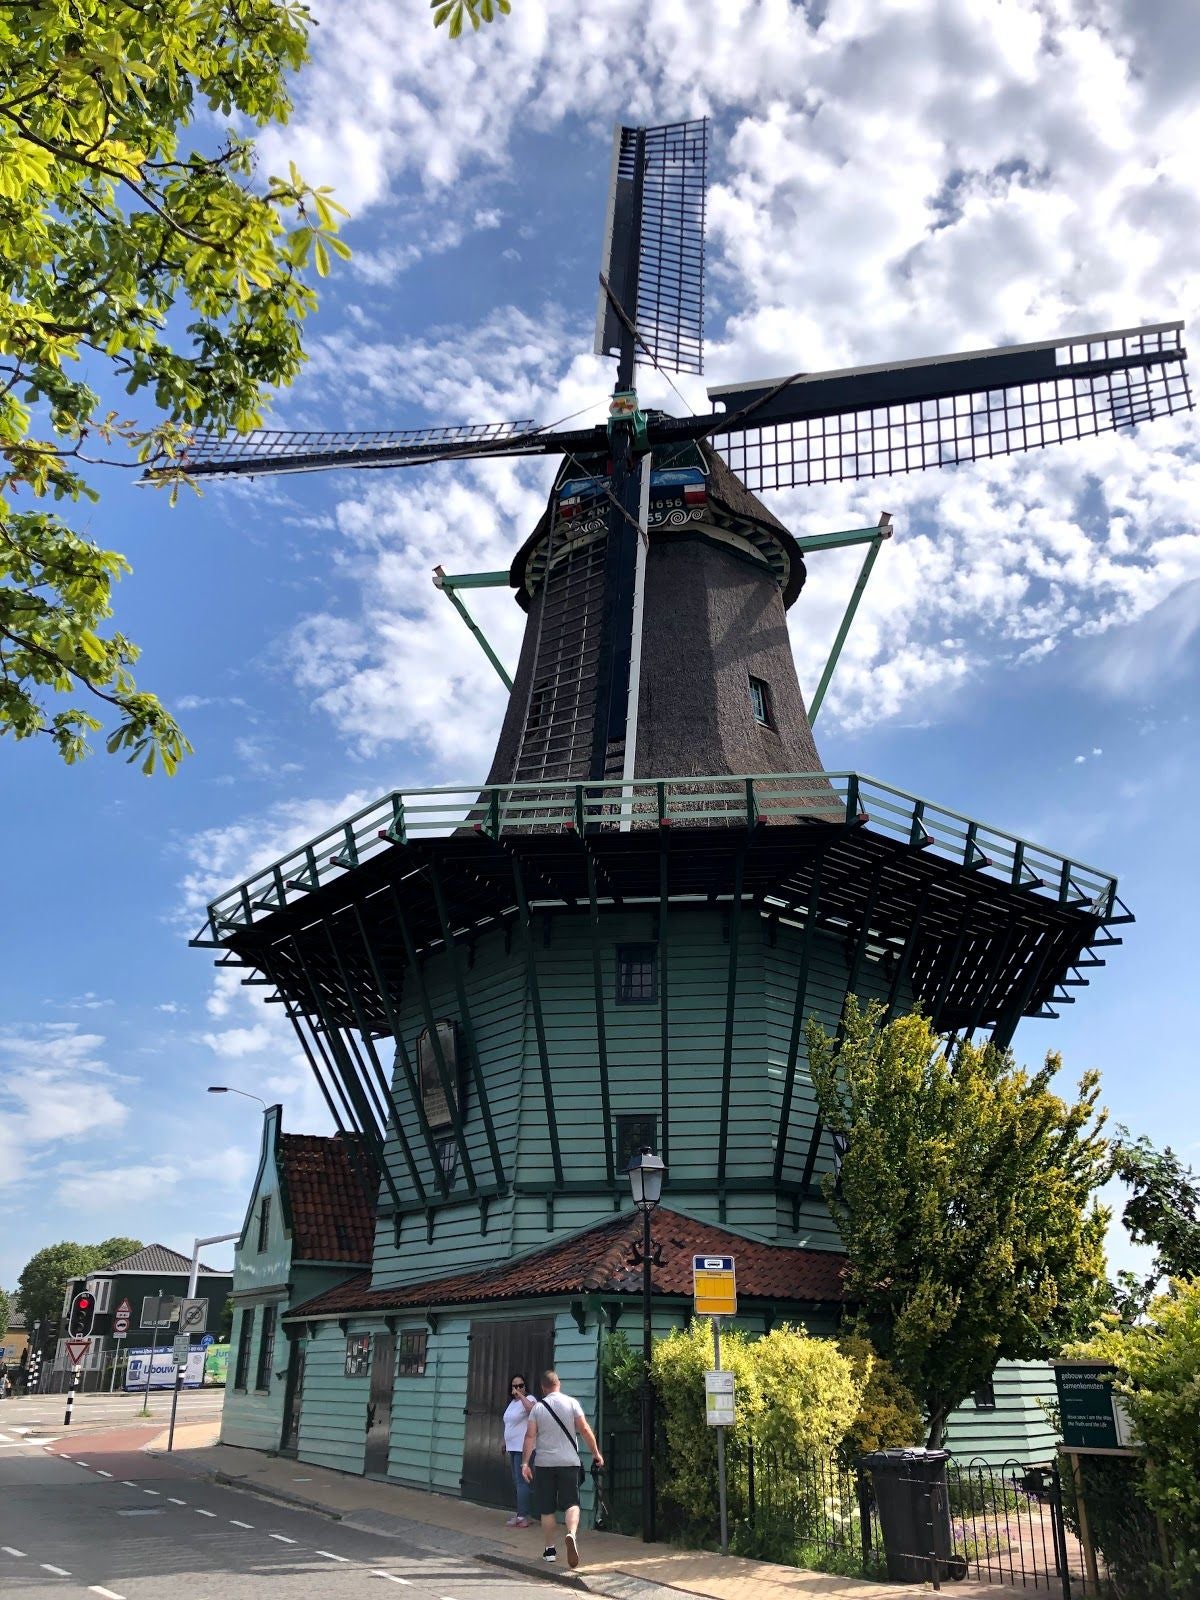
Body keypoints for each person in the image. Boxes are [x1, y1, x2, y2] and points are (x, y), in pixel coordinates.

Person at [521, 1369, 604, 1568]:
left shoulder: (538, 1408)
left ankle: (550, 1550)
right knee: (571, 1503)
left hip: (544, 1465)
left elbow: (530, 1436)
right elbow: (585, 1429)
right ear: (558, 1384)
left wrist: (525, 1463)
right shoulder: (572, 1403)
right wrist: (596, 1453)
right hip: (569, 1462)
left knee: (547, 1509)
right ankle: (571, 1534)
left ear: (543, 1388)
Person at [502, 1372, 535, 1526]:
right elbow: (509, 1424)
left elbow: (532, 1410)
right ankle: (522, 1514)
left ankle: (522, 1517)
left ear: (525, 1386)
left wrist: (521, 1395)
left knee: (521, 1482)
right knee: (517, 1481)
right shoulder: (512, 1403)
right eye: (514, 1386)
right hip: (513, 1447)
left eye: (520, 1385)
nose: (517, 1388)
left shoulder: (529, 1399)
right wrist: (504, 1441)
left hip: (523, 1448)